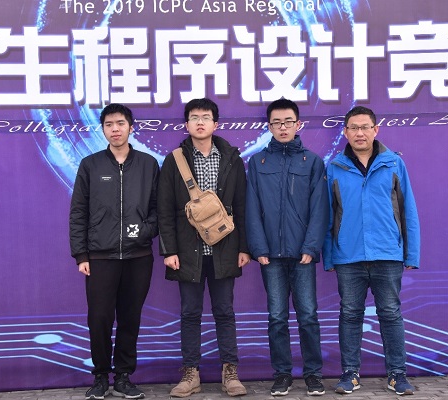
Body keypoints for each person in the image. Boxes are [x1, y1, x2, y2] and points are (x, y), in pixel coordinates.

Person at [323, 106, 420, 396]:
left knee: (390, 313)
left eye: (365, 127)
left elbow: (408, 209)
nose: (359, 133)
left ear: (375, 130)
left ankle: (397, 374)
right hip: (348, 255)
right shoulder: (335, 167)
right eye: (353, 127)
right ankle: (350, 374)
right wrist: (329, 255)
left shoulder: (394, 164)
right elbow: (328, 214)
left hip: (387, 253)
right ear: (345, 132)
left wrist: (411, 253)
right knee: (350, 314)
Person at [158, 98, 250, 398]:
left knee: (225, 312)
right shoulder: (174, 160)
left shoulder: (232, 158)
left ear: (215, 124)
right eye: (194, 117)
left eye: (206, 117)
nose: (200, 122)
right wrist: (169, 250)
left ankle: (230, 372)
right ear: (186, 124)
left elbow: (241, 206)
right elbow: (165, 209)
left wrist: (244, 247)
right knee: (190, 313)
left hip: (225, 248)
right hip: (187, 251)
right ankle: (190, 374)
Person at [69, 104, 159, 400]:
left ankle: (123, 376)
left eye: (120, 123)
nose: (115, 129)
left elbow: (158, 209)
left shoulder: (148, 164)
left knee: (130, 318)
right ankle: (100, 376)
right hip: (100, 257)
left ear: (131, 127)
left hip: (138, 257)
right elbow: (78, 212)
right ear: (103, 129)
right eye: (109, 124)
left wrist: (142, 232)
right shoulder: (90, 165)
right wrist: (81, 255)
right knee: (99, 318)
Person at [245, 98, 329, 396]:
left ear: (298, 124)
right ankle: (282, 374)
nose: (283, 127)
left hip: (302, 254)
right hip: (270, 256)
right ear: (269, 127)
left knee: (308, 316)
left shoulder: (312, 162)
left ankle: (313, 374)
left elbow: (320, 209)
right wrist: (258, 248)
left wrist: (311, 247)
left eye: (288, 122)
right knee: (277, 317)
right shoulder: (258, 162)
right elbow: (251, 208)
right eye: (277, 123)